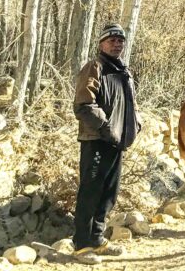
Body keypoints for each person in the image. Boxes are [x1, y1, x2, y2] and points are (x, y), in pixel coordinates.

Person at [72, 23, 140, 257]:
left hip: (116, 141)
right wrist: (106, 127)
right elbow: (83, 105)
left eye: (120, 40)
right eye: (111, 40)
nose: (116, 44)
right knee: (90, 191)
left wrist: (135, 125)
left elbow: (130, 104)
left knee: (109, 192)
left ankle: (97, 238)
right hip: (96, 140)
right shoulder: (94, 67)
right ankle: (82, 245)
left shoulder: (123, 71)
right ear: (101, 43)